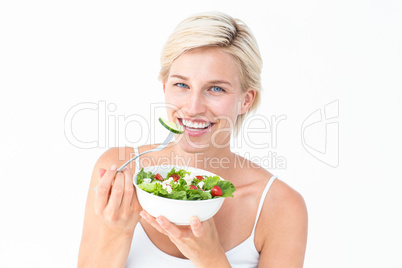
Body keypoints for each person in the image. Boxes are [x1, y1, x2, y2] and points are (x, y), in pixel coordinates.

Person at [78, 11, 308, 268]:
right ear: (165, 87)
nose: (194, 107)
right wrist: (117, 231)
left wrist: (210, 259)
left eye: (216, 88)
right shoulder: (121, 171)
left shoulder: (280, 206)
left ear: (246, 100)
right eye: (182, 85)